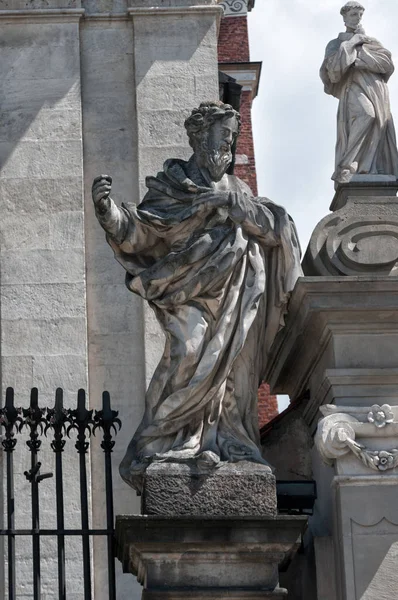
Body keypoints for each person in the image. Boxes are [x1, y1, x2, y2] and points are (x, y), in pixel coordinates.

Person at [92, 101, 302, 493]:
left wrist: (230, 204)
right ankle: (161, 442)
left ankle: (228, 443)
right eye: (224, 133)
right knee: (187, 352)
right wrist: (108, 213)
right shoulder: (173, 185)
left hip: (236, 294)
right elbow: (141, 231)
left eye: (232, 135)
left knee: (234, 373)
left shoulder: (237, 190)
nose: (229, 141)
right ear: (201, 136)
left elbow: (274, 228)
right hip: (186, 291)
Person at [320, 1, 398, 185]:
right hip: (352, 87)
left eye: (360, 15)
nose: (357, 18)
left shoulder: (371, 42)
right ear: (345, 18)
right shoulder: (336, 43)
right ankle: (347, 165)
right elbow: (333, 70)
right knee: (367, 115)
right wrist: (352, 43)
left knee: (378, 124)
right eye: (354, 15)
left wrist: (360, 59)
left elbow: (386, 64)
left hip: (375, 88)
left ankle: (370, 167)